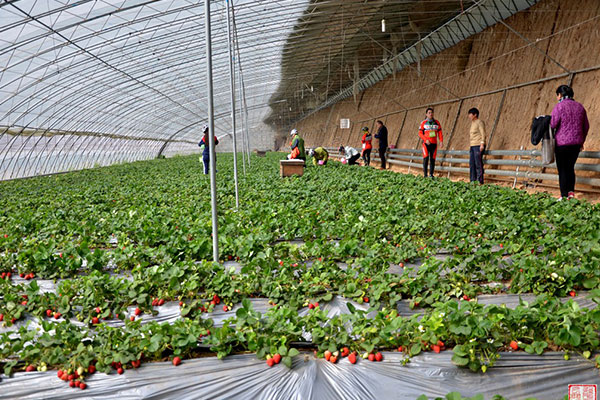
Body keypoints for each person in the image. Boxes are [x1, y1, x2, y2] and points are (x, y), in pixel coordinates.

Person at [550, 85, 589, 200]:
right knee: (570, 168)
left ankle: (563, 195)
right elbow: (586, 126)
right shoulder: (580, 107)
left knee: (562, 169)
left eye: (557, 95)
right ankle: (571, 193)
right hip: (576, 144)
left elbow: (553, 124)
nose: (557, 98)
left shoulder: (559, 106)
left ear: (560, 95)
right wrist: (581, 140)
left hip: (562, 144)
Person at [418, 108, 443, 178]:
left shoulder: (437, 122)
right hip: (426, 144)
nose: (430, 114)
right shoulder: (423, 123)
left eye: (431, 112)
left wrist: (441, 141)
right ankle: (425, 175)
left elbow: (440, 132)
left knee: (433, 159)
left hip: (434, 144)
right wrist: (425, 140)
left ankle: (431, 174)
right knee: (426, 158)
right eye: (429, 113)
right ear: (426, 114)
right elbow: (420, 133)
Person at [468, 108, 486, 184]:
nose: (469, 116)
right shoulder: (472, 123)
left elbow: (483, 133)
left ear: (475, 114)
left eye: (470, 114)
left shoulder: (479, 122)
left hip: (478, 145)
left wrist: (482, 144)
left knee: (478, 163)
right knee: (471, 163)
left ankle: (480, 181)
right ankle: (472, 180)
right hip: (472, 145)